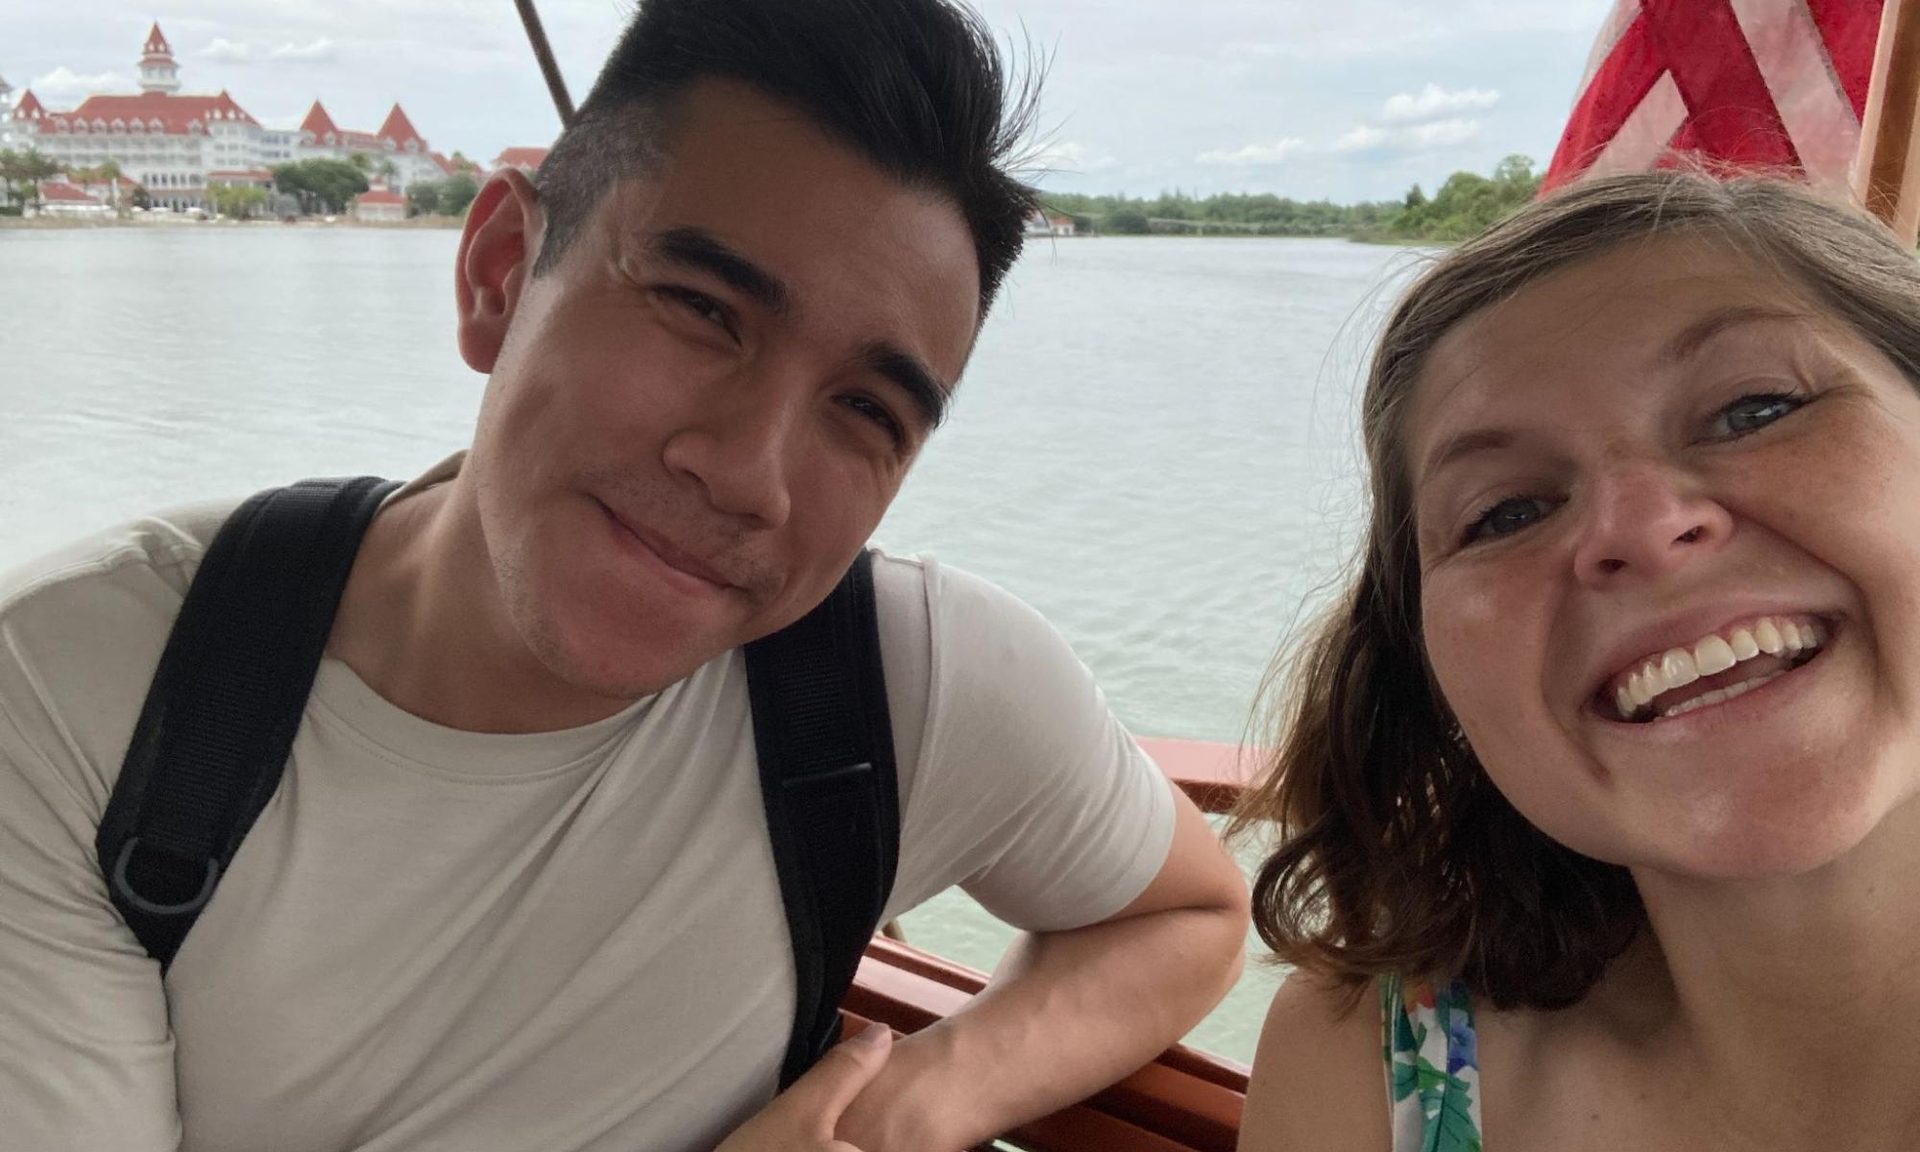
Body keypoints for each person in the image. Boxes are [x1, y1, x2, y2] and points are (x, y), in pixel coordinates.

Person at [0, 0, 1251, 1148]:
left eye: (868, 410)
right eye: (703, 310)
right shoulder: (78, 695)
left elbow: (1187, 915)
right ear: (500, 272)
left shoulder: (901, 685)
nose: (748, 474)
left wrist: (916, 1105)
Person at [1234, 170, 1920, 1150]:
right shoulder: (1372, 1067)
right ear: (1428, 677)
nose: (1638, 526)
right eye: (1506, 512)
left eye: (1756, 410)